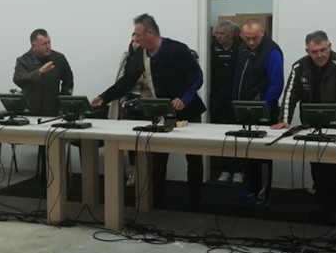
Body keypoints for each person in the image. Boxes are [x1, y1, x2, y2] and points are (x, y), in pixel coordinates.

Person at [92, 13, 205, 206]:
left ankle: (196, 201)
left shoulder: (177, 49)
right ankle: (157, 201)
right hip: (162, 112)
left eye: (138, 35)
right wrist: (104, 97)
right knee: (158, 157)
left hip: (188, 110)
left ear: (150, 33)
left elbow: (196, 76)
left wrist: (184, 97)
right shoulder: (139, 55)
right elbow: (127, 80)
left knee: (194, 157)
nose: (135, 40)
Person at [273, 30, 336, 222]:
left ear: (330, 47)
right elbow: (290, 95)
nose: (319, 55)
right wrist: (284, 120)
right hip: (311, 124)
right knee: (316, 163)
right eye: (314, 52)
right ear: (307, 51)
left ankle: (334, 206)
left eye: (323, 50)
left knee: (333, 166)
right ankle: (320, 202)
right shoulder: (299, 67)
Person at [13, 29, 74, 188]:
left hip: (53, 111)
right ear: (33, 45)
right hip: (32, 112)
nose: (48, 46)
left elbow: (68, 80)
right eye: (44, 44)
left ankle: (54, 183)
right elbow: (19, 79)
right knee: (41, 148)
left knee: (52, 148)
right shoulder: (23, 60)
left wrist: (63, 103)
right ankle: (42, 182)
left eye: (49, 42)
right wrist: (39, 72)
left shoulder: (58, 58)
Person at [233, 20, 284, 208]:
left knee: (261, 155)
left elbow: (276, 84)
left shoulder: (272, 51)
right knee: (247, 154)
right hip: (243, 110)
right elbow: (237, 77)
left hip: (263, 111)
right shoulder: (242, 48)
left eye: (255, 38)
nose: (251, 42)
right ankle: (252, 190)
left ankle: (262, 196)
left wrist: (263, 109)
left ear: (263, 32)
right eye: (247, 38)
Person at [106, 33, 153, 187]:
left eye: (138, 41)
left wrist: (144, 81)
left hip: (146, 101)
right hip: (129, 102)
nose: (135, 44)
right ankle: (133, 170)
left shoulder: (152, 57)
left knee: (146, 139)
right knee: (131, 139)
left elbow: (158, 82)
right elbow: (120, 80)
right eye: (133, 41)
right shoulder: (127, 56)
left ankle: (145, 173)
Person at [209, 20, 243, 184]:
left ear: (231, 34)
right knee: (222, 136)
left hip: (235, 98)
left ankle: (238, 170)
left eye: (222, 33)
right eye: (217, 33)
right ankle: (225, 169)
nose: (218, 36)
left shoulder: (241, 48)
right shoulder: (211, 48)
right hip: (218, 99)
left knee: (237, 136)